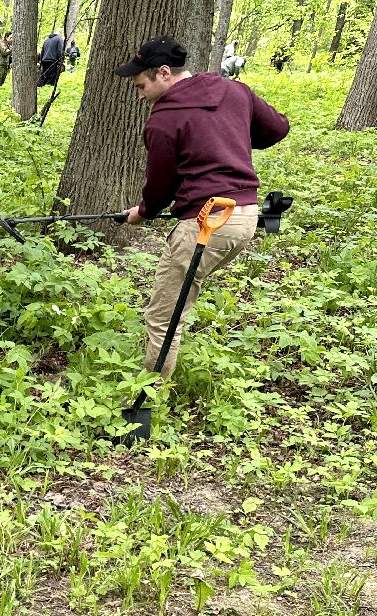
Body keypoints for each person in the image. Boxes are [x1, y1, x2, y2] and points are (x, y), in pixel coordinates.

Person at [115, 36, 289, 383]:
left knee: (163, 316)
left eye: (141, 85)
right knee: (179, 296)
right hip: (246, 215)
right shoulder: (233, 90)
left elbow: (160, 187)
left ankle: (147, 403)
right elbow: (278, 127)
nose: (138, 94)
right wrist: (227, 133)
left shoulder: (162, 120)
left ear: (164, 72)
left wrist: (143, 213)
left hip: (207, 223)